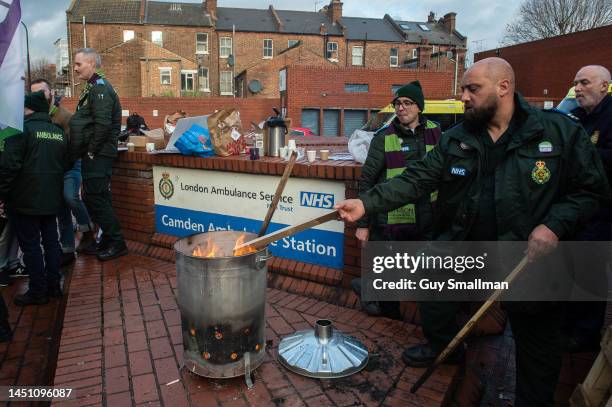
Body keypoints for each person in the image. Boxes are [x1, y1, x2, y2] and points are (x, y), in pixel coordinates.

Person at [335, 57, 609, 406]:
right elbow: (416, 178)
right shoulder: (457, 139)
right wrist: (366, 205)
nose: (462, 96)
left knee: (537, 357)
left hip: (531, 260)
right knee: (433, 292)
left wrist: (554, 225)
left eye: (472, 89)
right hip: (466, 250)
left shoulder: (558, 132)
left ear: (504, 87)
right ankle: (445, 349)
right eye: (463, 88)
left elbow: (591, 191)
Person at [352, 80, 441, 318]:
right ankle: (390, 321)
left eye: (407, 103)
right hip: (391, 221)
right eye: (397, 104)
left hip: (428, 220)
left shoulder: (438, 133)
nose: (401, 108)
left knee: (425, 277)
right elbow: (368, 180)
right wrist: (363, 225)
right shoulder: (383, 137)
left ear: (419, 107)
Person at [0, 91, 69, 305]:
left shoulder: (19, 132)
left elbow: (9, 167)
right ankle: (53, 285)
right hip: (51, 199)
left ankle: (37, 291)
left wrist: (2, 194)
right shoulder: (58, 132)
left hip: (25, 200)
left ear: (27, 108)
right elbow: (65, 164)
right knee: (51, 242)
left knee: (30, 247)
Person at [564, 65, 612, 351]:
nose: (577, 89)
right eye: (575, 83)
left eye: (584, 83)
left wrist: (581, 154)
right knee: (572, 269)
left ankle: (585, 335)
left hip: (601, 214)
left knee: (591, 273)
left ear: (604, 85)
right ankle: (568, 323)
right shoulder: (578, 118)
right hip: (577, 212)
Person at [69, 48, 127, 261]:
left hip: (99, 155)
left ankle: (117, 242)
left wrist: (92, 150)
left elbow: (102, 125)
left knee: (96, 198)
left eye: (78, 64)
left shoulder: (100, 89)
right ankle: (109, 240)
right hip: (96, 154)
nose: (75, 69)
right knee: (96, 197)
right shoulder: (93, 88)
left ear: (92, 64)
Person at [30, 79, 94, 267]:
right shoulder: (35, 117)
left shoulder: (64, 116)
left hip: (69, 165)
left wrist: (64, 163)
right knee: (61, 211)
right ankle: (67, 249)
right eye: (34, 93)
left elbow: (76, 144)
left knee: (70, 197)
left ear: (50, 93)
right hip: (52, 170)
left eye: (42, 91)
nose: (39, 96)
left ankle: (86, 229)